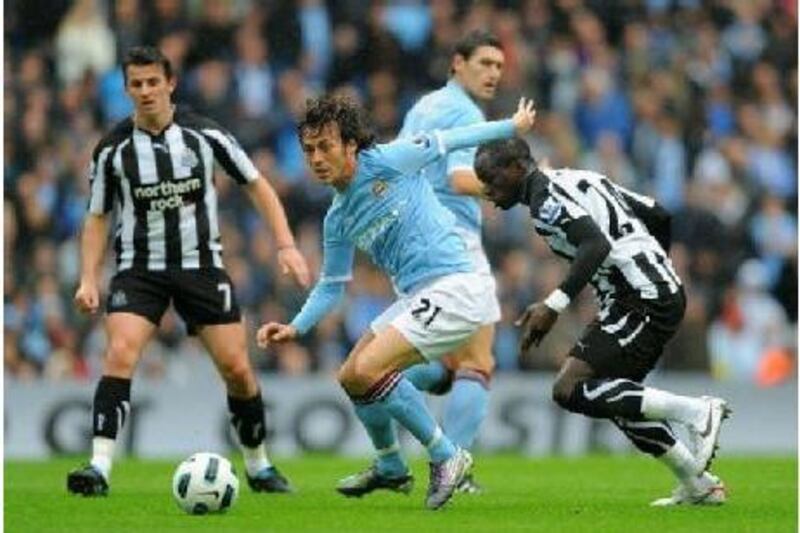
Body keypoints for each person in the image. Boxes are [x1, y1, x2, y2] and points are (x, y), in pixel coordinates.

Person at [257, 95, 537, 509]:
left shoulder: (388, 160)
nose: (316, 158)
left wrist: (510, 127)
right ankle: (391, 465)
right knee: (351, 375)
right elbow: (332, 286)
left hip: (456, 286)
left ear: (351, 145)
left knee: (370, 369)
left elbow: (451, 139)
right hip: (417, 297)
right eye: (309, 149)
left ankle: (447, 456)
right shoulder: (337, 216)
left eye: (326, 146)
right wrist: (296, 327)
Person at [66, 46, 311, 497]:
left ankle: (259, 465)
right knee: (120, 352)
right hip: (139, 270)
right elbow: (97, 215)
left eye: (152, 82)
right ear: (126, 90)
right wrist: (87, 276)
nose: (145, 91)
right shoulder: (113, 150)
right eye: (136, 84)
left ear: (170, 83)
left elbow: (257, 185)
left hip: (201, 266)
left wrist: (286, 245)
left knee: (238, 369)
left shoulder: (206, 135)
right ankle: (98, 466)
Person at [474, 138, 731, 507]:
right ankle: (698, 483)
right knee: (613, 397)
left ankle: (698, 412)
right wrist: (656, 266)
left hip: (639, 298)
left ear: (517, 168)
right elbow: (657, 213)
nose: (487, 190)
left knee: (569, 388)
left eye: (492, 179)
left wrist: (554, 303)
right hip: (646, 292)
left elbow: (596, 246)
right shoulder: (580, 178)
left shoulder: (546, 201)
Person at [399, 29, 504, 494]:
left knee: (443, 365)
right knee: (478, 360)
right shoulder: (464, 111)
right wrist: (512, 186)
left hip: (412, 241)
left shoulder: (423, 107)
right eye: (484, 63)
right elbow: (460, 178)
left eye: (499, 66)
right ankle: (454, 468)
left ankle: (386, 378)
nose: (494, 74)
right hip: (452, 240)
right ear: (457, 63)